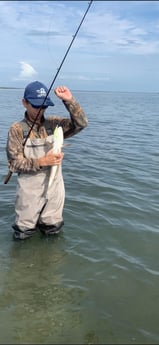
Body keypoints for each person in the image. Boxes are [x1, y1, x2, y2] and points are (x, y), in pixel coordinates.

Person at [6, 81, 88, 240]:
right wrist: (43, 161)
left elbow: (81, 123)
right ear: (24, 103)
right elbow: (15, 163)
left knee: (53, 230)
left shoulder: (54, 124)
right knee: (23, 233)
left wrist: (69, 101)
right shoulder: (16, 129)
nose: (40, 110)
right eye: (36, 106)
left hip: (55, 188)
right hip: (29, 190)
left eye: (44, 106)